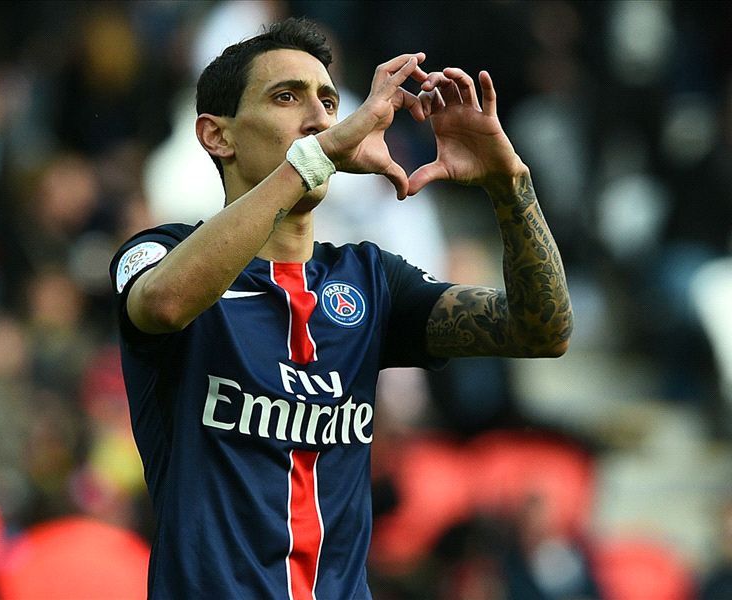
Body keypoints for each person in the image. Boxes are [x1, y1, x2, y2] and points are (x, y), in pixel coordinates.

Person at [109, 17, 572, 600]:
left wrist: (510, 185)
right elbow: (165, 304)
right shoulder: (160, 254)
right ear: (216, 136)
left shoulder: (372, 281)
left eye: (328, 102)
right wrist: (315, 157)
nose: (320, 117)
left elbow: (542, 329)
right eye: (286, 97)